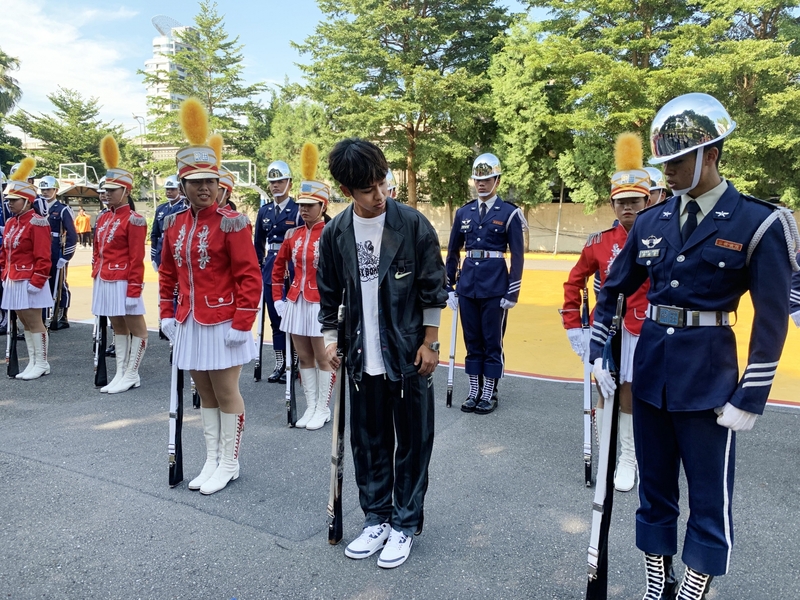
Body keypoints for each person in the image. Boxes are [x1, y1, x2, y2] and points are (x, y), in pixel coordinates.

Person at [590, 93, 799, 599]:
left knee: (708, 497)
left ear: (712, 154)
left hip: (710, 381)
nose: (669, 173)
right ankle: (657, 585)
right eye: (664, 163)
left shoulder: (759, 222)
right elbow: (612, 289)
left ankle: (693, 589)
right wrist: (600, 351)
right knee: (654, 492)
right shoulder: (652, 220)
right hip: (652, 373)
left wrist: (751, 395)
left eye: (679, 161)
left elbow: (772, 318)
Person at [318, 137, 447, 569]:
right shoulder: (336, 232)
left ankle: (405, 524)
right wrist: (331, 339)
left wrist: (430, 342)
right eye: (368, 189)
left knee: (413, 442)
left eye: (382, 183)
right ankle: (376, 518)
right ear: (346, 191)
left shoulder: (411, 224)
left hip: (409, 354)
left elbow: (434, 287)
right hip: (361, 356)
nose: (379, 195)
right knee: (369, 443)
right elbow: (329, 292)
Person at [159, 98, 262, 495]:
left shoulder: (232, 222)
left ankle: (230, 462)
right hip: (188, 321)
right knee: (204, 392)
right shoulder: (174, 224)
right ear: (183, 185)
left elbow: (249, 275)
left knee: (225, 390)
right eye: (196, 182)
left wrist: (243, 322)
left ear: (219, 185)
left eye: (210, 182)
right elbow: (168, 272)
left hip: (223, 322)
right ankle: (211, 459)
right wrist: (167, 313)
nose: (204, 189)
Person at [561, 132, 651, 492]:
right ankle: (610, 454)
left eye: (635, 201)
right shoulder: (598, 242)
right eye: (621, 202)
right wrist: (574, 326)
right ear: (612, 205)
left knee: (632, 390)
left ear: (648, 200)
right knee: (606, 390)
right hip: (606, 329)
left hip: (645, 327)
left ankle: (630, 458)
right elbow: (574, 283)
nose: (628, 208)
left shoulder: (660, 237)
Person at [444, 153, 526, 414]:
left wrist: (513, 291)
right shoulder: (464, 212)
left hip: (495, 285)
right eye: (478, 179)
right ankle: (473, 389)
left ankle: (489, 391)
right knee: (472, 340)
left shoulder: (510, 213)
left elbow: (518, 256)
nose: (481, 184)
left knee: (492, 341)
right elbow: (454, 250)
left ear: (497, 181)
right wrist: (449, 287)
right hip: (468, 284)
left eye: (487, 179)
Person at [272, 142, 333, 430]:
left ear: (323, 206)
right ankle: (310, 406)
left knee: (323, 356)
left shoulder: (332, 233)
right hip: (296, 300)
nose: (304, 210)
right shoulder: (292, 235)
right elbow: (277, 268)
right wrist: (278, 299)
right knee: (304, 356)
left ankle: (323, 407)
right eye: (301, 206)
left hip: (321, 303)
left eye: (310, 206)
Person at [91, 135, 148, 394]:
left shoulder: (134, 220)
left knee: (137, 328)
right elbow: (97, 252)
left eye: (111, 191)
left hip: (124, 280)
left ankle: (132, 372)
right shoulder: (103, 219)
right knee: (118, 327)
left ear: (126, 191)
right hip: (105, 279)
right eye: (104, 191)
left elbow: (137, 258)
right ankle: (120, 372)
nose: (106, 195)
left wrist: (134, 288)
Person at [1, 158, 53, 380]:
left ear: (27, 201)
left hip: (30, 280)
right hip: (14, 278)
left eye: (14, 200)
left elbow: (43, 256)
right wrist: (4, 274)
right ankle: (32, 361)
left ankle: (41, 362)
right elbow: (5, 252)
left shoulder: (37, 222)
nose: (9, 204)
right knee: (24, 322)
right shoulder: (12, 223)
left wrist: (37, 281)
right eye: (9, 200)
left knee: (34, 321)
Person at [254, 161, 303, 384]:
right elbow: (258, 245)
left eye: (280, 181)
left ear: (289, 183)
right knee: (275, 319)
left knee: (292, 318)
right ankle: (280, 363)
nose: (276, 186)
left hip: (292, 269)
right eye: (273, 182)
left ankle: (295, 362)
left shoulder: (298, 210)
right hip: (270, 269)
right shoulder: (264, 211)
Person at [39, 175, 77, 330]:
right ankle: (44, 316)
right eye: (43, 189)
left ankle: (61, 315)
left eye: (48, 189)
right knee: (42, 281)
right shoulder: (38, 208)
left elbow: (72, 235)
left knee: (59, 282)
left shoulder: (62, 210)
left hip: (56, 249)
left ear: (55, 190)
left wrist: (66, 256)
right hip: (42, 249)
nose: (45, 192)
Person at [150, 175, 185, 272]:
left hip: (177, 251)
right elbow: (155, 234)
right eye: (167, 189)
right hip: (161, 251)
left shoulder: (185, 207)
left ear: (180, 190)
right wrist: (154, 256)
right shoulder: (161, 208)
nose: (169, 192)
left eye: (172, 189)